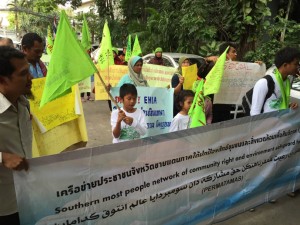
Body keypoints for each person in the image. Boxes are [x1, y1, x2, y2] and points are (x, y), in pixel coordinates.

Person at [0, 46, 33, 225]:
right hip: (4, 206)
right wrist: (2, 157)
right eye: (23, 74)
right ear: (3, 80)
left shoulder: (23, 104)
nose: (31, 78)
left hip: (26, 198)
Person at [251, 47, 299, 116]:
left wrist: (288, 106)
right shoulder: (264, 83)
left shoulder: (287, 81)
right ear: (285, 65)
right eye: (296, 64)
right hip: (266, 125)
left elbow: (275, 104)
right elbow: (254, 113)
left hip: (280, 124)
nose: (298, 67)